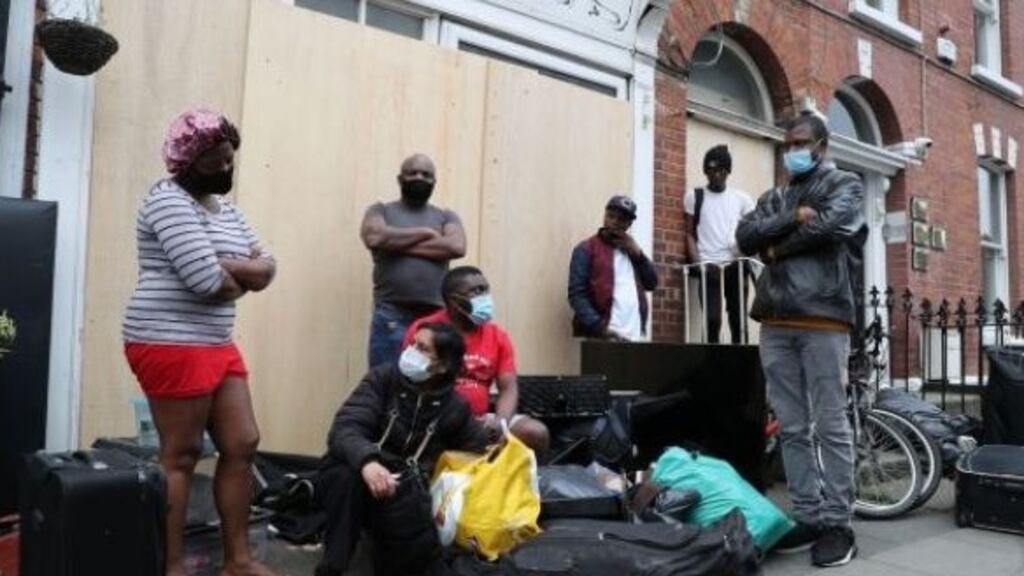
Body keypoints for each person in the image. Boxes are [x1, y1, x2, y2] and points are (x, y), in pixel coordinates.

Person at [122, 109, 277, 576]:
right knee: (182, 454)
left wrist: (236, 268)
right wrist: (235, 269)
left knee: (243, 441)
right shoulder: (168, 202)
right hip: (168, 338)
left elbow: (268, 266)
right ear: (187, 160)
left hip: (215, 339)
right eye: (216, 162)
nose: (227, 170)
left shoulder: (224, 209)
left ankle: (238, 562)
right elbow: (205, 280)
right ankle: (172, 567)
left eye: (231, 160)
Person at [736, 112, 866, 568]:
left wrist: (778, 248)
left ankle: (837, 523)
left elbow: (830, 228)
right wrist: (792, 217)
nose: (792, 150)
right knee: (791, 425)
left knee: (830, 422)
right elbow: (745, 236)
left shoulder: (845, 184)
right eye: (787, 142)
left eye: (801, 142)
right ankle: (808, 515)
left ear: (822, 146)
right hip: (775, 320)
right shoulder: (775, 197)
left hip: (824, 318)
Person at [316, 322, 489, 576]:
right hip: (363, 470)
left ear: (442, 366)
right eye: (413, 344)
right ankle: (333, 566)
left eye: (422, 348)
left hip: (407, 488)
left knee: (411, 514)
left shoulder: (455, 408)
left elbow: (476, 455)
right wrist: (368, 462)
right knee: (344, 476)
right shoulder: (383, 379)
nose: (411, 351)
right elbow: (345, 428)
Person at [403, 266, 550, 453]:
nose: (485, 296)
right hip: (436, 415)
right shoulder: (426, 331)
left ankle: (520, 480)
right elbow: (410, 380)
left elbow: (508, 387)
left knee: (535, 432)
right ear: (453, 301)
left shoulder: (497, 336)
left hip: (481, 419)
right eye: (476, 291)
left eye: (485, 289)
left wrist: (500, 422)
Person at [361, 154, 466, 368]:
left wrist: (394, 244)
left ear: (434, 182)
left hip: (435, 316)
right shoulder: (380, 210)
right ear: (400, 179)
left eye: (426, 174)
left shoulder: (446, 216)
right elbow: (374, 237)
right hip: (391, 314)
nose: (419, 177)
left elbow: (456, 246)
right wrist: (426, 232)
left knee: (433, 382)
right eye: (413, 173)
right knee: (387, 380)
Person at [684, 145, 755, 344]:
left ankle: (739, 364)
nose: (716, 175)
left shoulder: (742, 199)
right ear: (705, 171)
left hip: (735, 264)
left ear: (727, 171)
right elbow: (689, 233)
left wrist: (743, 250)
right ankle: (713, 363)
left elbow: (751, 231)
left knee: (738, 319)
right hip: (708, 266)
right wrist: (698, 264)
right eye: (711, 170)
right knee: (712, 319)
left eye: (721, 171)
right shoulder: (695, 196)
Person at [568, 195, 659, 341]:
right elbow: (577, 295)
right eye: (611, 216)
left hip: (635, 335)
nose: (615, 222)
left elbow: (652, 283)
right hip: (603, 336)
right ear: (605, 216)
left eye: (622, 219)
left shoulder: (631, 250)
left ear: (629, 224)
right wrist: (600, 328)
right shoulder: (586, 249)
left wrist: (639, 255)